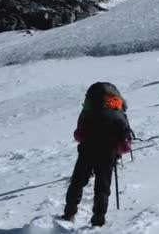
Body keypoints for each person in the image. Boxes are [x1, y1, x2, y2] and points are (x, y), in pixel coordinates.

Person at [62, 82, 132, 227]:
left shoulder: (87, 112)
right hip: (107, 154)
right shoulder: (118, 114)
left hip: (87, 151)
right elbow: (125, 144)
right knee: (102, 187)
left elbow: (78, 134)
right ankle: (98, 219)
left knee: (77, 182)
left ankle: (69, 212)